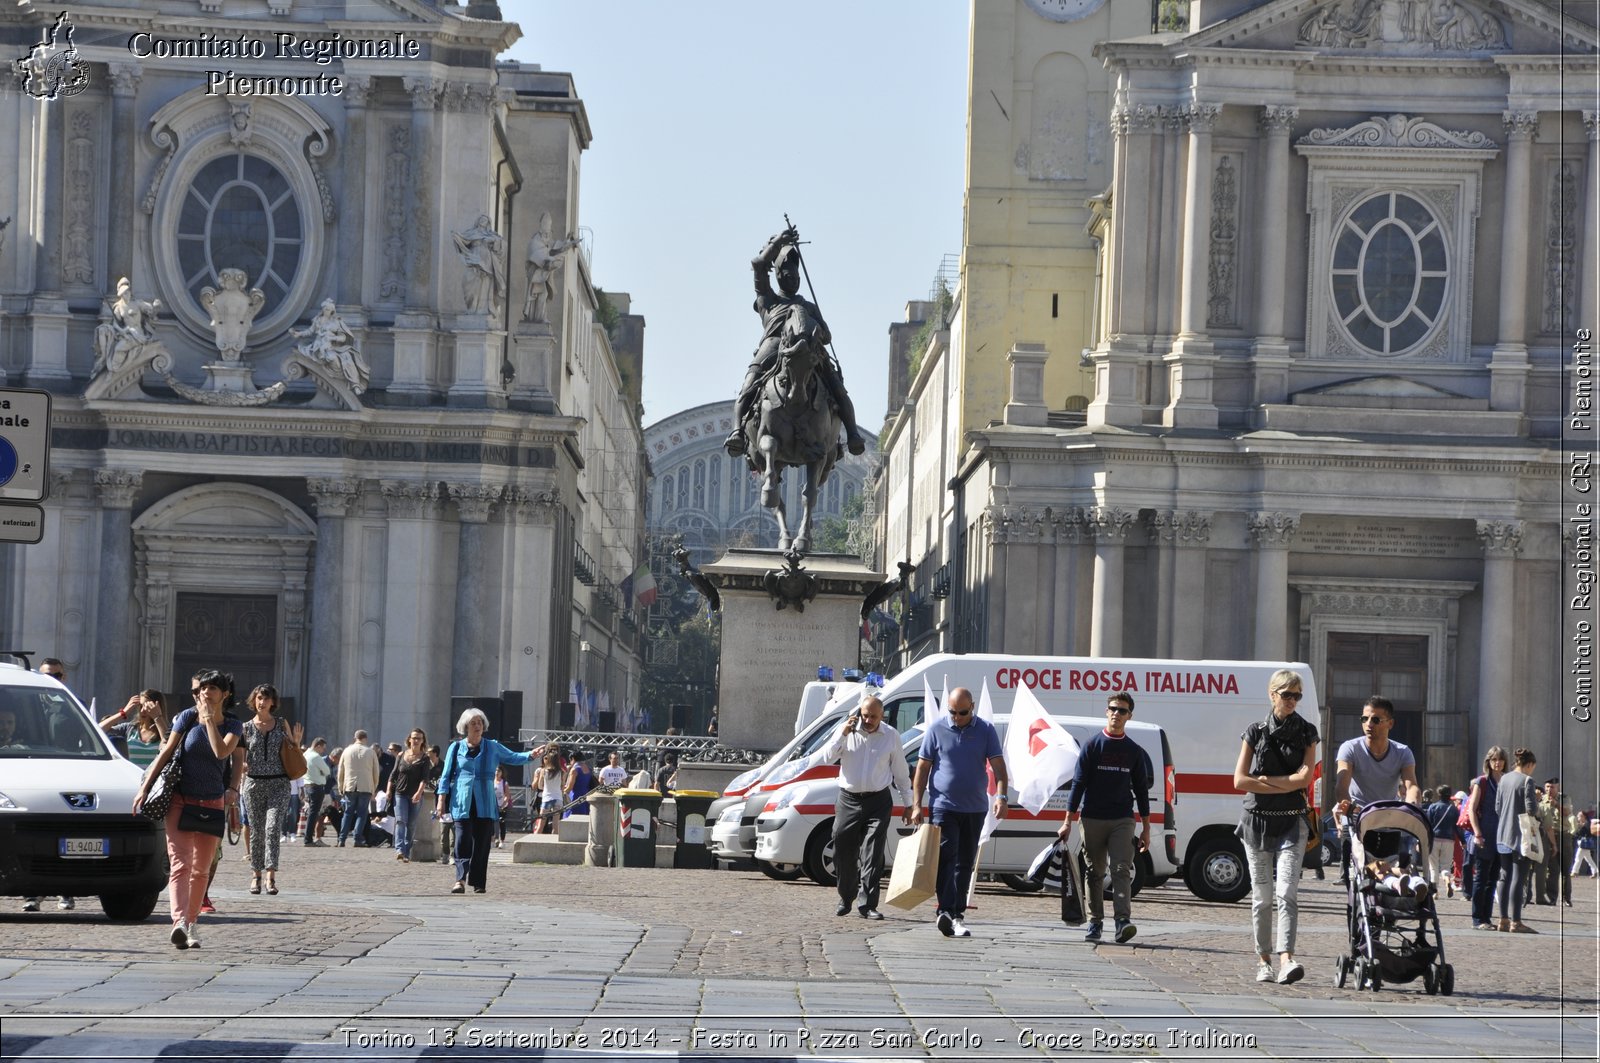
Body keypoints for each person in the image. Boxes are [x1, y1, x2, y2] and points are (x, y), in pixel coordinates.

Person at [724, 225, 865, 458]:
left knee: (837, 388)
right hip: (773, 347)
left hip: (810, 349)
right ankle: (738, 432)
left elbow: (828, 335)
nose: (795, 281)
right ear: (779, 276)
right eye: (789, 276)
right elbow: (759, 266)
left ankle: (851, 433)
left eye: (797, 277)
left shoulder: (808, 306)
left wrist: (817, 333)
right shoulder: (767, 299)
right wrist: (779, 242)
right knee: (748, 386)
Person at [132, 669, 243, 949]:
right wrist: (145, 787)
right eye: (202, 688)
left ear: (225, 694)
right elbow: (166, 751)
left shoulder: (232, 725)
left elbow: (221, 753)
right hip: (180, 799)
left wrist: (208, 721)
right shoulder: (186, 717)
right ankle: (179, 922)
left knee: (201, 870)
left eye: (213, 688)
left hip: (212, 801)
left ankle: (192, 924)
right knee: (180, 864)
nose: (206, 693)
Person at [1233, 669, 1318, 985]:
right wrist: (1286, 783)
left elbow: (1305, 779)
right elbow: (1240, 780)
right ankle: (1264, 960)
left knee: (1286, 892)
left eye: (1297, 695)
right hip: (1255, 823)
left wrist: (1266, 781)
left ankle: (1287, 958)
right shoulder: (1254, 732)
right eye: (1287, 695)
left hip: (1293, 822)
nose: (1292, 701)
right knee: (1262, 897)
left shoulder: (1307, 732)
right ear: (1272, 695)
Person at [908, 686, 1008, 938]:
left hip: (975, 808)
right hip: (944, 806)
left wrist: (1001, 796)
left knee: (965, 862)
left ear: (972, 708)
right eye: (952, 712)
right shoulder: (937, 729)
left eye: (962, 713)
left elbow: (999, 767)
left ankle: (957, 914)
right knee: (946, 857)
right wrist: (917, 804)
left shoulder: (985, 730)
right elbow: (922, 769)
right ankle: (944, 910)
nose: (957, 717)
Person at [1060, 691, 1153, 945]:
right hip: (1092, 818)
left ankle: (1122, 921)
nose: (1116, 714)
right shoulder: (1092, 746)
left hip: (1122, 818)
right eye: (1112, 708)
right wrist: (1068, 820)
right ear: (1106, 711)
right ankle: (1095, 922)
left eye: (1122, 710)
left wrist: (1146, 828)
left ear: (1129, 716)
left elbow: (1142, 791)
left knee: (1122, 868)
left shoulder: (1134, 751)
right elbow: (1077, 785)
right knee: (1094, 871)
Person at [814, 695, 912, 920]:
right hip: (848, 799)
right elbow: (827, 758)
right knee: (841, 847)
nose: (868, 720)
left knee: (872, 852)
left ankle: (867, 904)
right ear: (860, 713)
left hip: (878, 801)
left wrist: (909, 804)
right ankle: (846, 897)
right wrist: (842, 734)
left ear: (882, 716)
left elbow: (901, 772)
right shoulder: (846, 731)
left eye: (873, 717)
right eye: (865, 715)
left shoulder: (890, 736)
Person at [435, 708, 535, 894]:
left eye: (480, 722)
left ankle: (479, 881)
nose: (477, 726)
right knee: (462, 840)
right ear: (465, 726)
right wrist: (441, 801)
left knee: (482, 842)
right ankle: (460, 879)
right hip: (462, 800)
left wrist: (532, 755)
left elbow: (513, 757)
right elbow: (446, 775)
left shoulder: (492, 746)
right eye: (473, 723)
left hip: (485, 802)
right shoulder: (455, 748)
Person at [1334, 696, 1421, 877]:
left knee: (1385, 871)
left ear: (1390, 723)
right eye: (1364, 719)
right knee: (1355, 877)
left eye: (1375, 720)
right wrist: (1346, 804)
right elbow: (1342, 784)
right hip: (1357, 819)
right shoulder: (1349, 748)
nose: (1368, 724)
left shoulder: (1403, 752)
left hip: (1387, 820)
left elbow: (1411, 784)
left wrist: (1412, 803)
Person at [28, 658, 77, 912]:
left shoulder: (71, 707)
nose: (51, 681)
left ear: (63, 677)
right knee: (36, 839)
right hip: (36, 782)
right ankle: (33, 893)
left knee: (66, 840)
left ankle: (65, 892)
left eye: (56, 676)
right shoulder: (28, 705)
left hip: (67, 780)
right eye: (46, 675)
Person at [239, 684, 293, 896]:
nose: (262, 702)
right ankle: (255, 875)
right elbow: (240, 756)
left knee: (272, 829)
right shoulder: (245, 727)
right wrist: (241, 766)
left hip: (279, 784)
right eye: (259, 698)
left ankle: (271, 876)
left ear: (273, 702)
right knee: (256, 831)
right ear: (254, 700)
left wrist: (295, 744)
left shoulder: (281, 724)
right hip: (253, 784)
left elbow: (292, 751)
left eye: (266, 698)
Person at [1493, 748, 1540, 933]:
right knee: (1518, 879)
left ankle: (1502, 919)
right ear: (1529, 764)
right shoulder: (1527, 781)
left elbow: (1497, 807)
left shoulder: (1504, 778)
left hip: (1502, 834)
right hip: (1520, 836)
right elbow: (1531, 809)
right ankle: (1516, 921)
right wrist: (1536, 800)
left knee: (1503, 877)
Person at [1467, 746, 1508, 930]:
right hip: (1484, 835)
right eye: (1493, 760)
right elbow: (1472, 809)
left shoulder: (1506, 782)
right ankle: (1478, 919)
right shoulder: (1481, 782)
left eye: (1500, 759)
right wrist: (1477, 833)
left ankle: (1487, 918)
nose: (1497, 763)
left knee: (1493, 879)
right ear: (1488, 763)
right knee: (1481, 879)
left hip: (1502, 836)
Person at [521, 210, 578, 324]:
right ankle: (535, 317)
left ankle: (540, 317)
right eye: (545, 228)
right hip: (536, 275)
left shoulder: (548, 241)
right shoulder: (535, 241)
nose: (547, 233)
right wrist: (546, 258)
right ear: (541, 228)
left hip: (544, 276)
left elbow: (556, 248)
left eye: (549, 229)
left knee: (544, 294)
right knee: (539, 295)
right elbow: (535, 253)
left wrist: (567, 241)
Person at [386, 729, 431, 862]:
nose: (416, 740)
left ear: (422, 741)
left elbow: (425, 778)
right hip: (400, 793)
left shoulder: (425, 758)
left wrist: (419, 792)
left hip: (415, 795)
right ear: (409, 739)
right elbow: (393, 774)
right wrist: (389, 790)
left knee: (411, 824)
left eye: (419, 738)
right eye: (414, 738)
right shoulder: (401, 755)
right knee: (400, 821)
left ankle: (407, 851)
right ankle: (399, 850)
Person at [99, 689, 168, 770]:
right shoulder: (129, 728)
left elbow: (168, 744)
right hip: (132, 780)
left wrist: (157, 717)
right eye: (141, 706)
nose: (143, 710)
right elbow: (99, 730)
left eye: (147, 707)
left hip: (153, 781)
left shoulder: (165, 729)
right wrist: (123, 712)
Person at [451, 214, 505, 314]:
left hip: (487, 260)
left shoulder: (491, 234)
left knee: (485, 282)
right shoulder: (472, 233)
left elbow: (501, 243)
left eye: (485, 220)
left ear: (488, 223)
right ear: (478, 220)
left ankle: (482, 309)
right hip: (474, 257)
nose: (483, 221)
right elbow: (462, 239)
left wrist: (493, 240)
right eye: (481, 219)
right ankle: (472, 307)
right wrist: (456, 236)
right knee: (471, 281)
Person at [337, 728, 380, 846]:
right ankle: (357, 838)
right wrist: (374, 787)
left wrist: (340, 786)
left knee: (347, 813)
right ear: (365, 739)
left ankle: (342, 839)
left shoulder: (347, 751)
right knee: (362, 813)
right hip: (365, 786)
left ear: (355, 738)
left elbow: (341, 770)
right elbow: (376, 771)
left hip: (349, 786)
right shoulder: (370, 752)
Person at [1421, 786, 1460, 897]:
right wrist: (1462, 840)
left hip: (1434, 839)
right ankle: (1447, 879)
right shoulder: (1453, 809)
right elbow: (1457, 827)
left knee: (1433, 866)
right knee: (1446, 866)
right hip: (1449, 840)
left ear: (1439, 795)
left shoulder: (1433, 807)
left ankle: (1435, 892)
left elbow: (1427, 825)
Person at [301, 737, 331, 846]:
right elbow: (327, 771)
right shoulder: (315, 756)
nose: (323, 751)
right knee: (314, 814)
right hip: (316, 787)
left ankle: (308, 838)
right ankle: (308, 839)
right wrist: (321, 773)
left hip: (307, 785)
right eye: (323, 748)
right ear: (318, 746)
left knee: (311, 813)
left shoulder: (305, 754)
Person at [533, 753, 564, 834]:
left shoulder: (544, 771)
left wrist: (546, 788)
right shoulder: (561, 772)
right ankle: (554, 844)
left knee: (541, 825)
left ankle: (535, 843)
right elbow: (562, 786)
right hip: (558, 799)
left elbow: (540, 786)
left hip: (547, 798)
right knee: (555, 825)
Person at [563, 753, 595, 818]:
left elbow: (570, 787)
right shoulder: (588, 768)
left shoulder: (575, 769)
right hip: (586, 795)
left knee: (571, 818)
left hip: (575, 797)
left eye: (570, 760)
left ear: (573, 759)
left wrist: (563, 791)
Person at [494, 766, 512, 846]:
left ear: (502, 773)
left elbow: (507, 795)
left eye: (499, 771)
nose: (497, 772)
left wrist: (502, 805)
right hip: (493, 806)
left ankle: (502, 840)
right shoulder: (491, 781)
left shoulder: (504, 782)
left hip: (502, 806)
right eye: (496, 771)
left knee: (502, 823)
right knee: (493, 822)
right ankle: (495, 838)